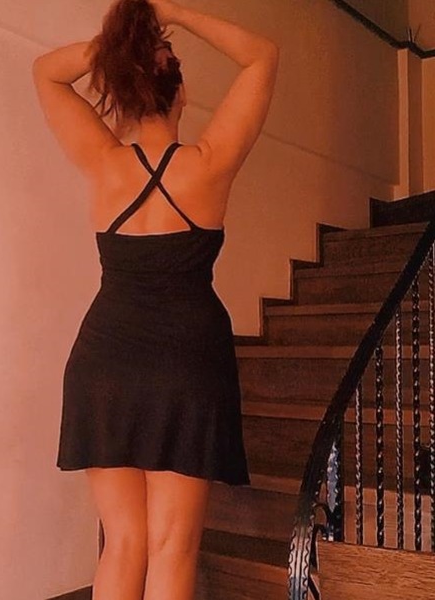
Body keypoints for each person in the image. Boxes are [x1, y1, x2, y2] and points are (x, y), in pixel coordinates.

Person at [32, 1, 279, 598]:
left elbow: (46, 71)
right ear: (182, 95)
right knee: (172, 547)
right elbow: (262, 56)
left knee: (122, 542)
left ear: (123, 89)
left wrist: (124, 42)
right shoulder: (209, 164)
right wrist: (176, 15)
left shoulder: (103, 162)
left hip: (104, 362)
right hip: (185, 363)